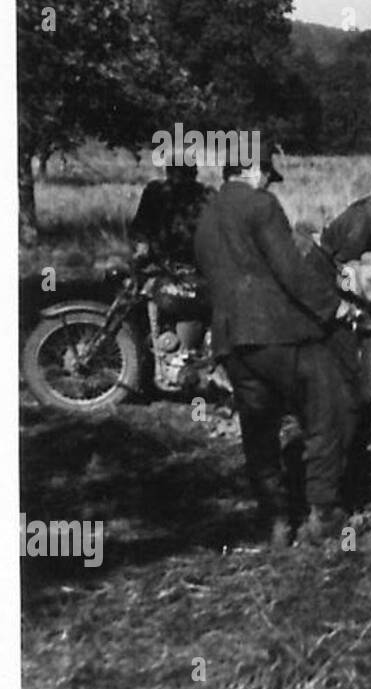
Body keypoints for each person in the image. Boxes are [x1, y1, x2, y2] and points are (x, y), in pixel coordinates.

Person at [194, 147, 358, 546]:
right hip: (280, 332)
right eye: (267, 173)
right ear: (251, 169)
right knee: (328, 409)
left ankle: (275, 520)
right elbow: (290, 268)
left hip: (233, 341)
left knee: (259, 429)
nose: (269, 181)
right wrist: (334, 307)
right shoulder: (260, 204)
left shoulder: (205, 214)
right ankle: (324, 514)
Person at [128, 158, 215, 354]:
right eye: (175, 172)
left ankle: (186, 358)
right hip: (158, 266)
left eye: (184, 173)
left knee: (190, 312)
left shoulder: (205, 197)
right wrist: (141, 249)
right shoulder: (156, 193)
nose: (179, 178)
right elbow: (140, 228)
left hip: (192, 271)